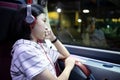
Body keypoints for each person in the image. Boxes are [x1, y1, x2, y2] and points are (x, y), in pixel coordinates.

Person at [10, 4, 76, 80]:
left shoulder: (39, 46)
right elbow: (68, 59)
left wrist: (53, 38)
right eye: (44, 21)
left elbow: (65, 55)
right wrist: (68, 67)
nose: (46, 27)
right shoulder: (25, 50)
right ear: (30, 22)